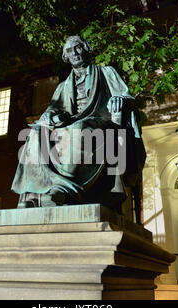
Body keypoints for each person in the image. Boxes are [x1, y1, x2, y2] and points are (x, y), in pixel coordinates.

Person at [11, 35, 146, 213]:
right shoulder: (63, 86)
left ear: (86, 49)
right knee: (36, 132)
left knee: (79, 129)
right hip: (70, 124)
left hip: (102, 121)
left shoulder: (106, 72)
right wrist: (49, 117)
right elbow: (53, 109)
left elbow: (127, 97)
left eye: (78, 47)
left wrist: (119, 100)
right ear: (65, 57)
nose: (74, 53)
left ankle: (64, 191)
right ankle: (33, 193)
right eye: (69, 50)